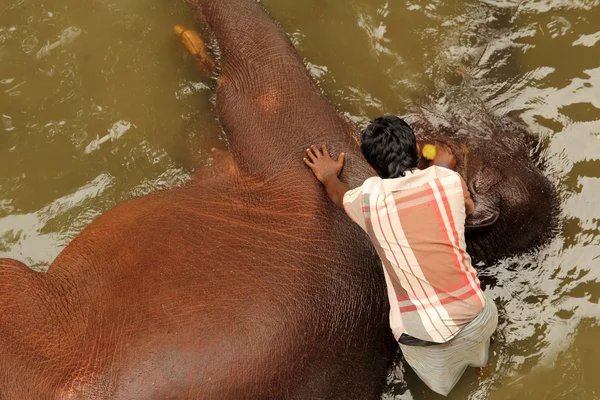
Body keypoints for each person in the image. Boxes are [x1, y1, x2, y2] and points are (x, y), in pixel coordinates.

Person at [303, 115, 498, 396]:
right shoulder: (448, 181)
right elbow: (466, 207)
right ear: (417, 149)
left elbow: (337, 194)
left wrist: (329, 174)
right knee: (479, 351)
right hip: (479, 317)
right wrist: (443, 165)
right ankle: (483, 367)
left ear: (371, 167)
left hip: (426, 341)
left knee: (443, 388)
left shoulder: (367, 199)